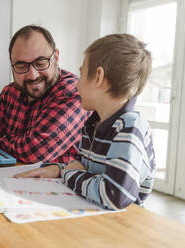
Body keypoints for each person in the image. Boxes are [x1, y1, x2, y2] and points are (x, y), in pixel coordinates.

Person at [15, 34, 156, 210]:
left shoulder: (130, 128)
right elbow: (83, 167)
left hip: (121, 227)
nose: (76, 85)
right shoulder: (93, 124)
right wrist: (59, 169)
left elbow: (115, 195)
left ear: (98, 76)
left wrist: (69, 174)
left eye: (81, 74)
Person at [0, 25, 88, 163]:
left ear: (56, 57)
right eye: (21, 66)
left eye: (41, 63)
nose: (32, 75)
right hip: (9, 179)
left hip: (56, 183)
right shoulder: (10, 92)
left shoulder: (72, 93)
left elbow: (35, 152)